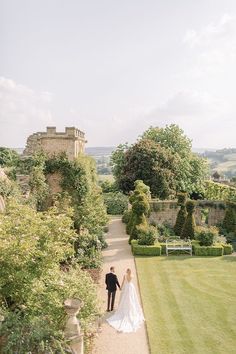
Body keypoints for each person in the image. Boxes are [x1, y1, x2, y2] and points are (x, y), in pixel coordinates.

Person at [106, 268, 145, 333]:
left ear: (127, 271)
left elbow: (123, 282)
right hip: (131, 287)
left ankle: (119, 308)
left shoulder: (125, 275)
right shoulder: (132, 275)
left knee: (124, 297)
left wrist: (120, 287)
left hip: (126, 287)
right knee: (131, 298)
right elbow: (130, 280)